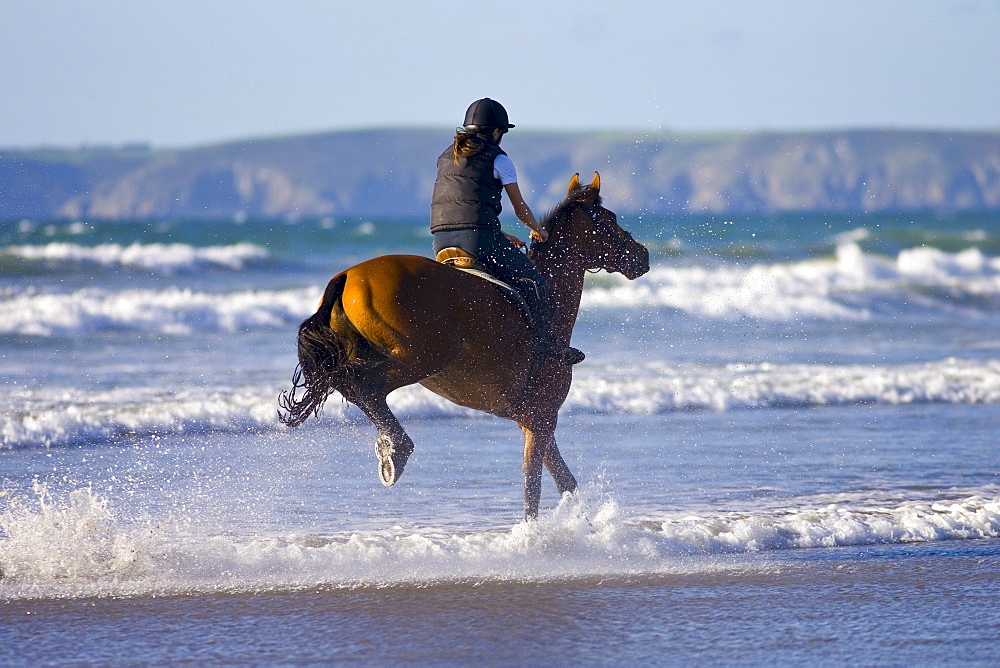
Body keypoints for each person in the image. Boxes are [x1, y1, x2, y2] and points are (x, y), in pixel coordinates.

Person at [430, 98, 584, 365]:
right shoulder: (498, 158)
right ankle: (546, 348)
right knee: (536, 284)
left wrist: (500, 236)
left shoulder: (446, 156)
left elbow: (462, 208)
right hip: (478, 239)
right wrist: (539, 231)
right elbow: (520, 208)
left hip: (440, 240)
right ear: (496, 132)